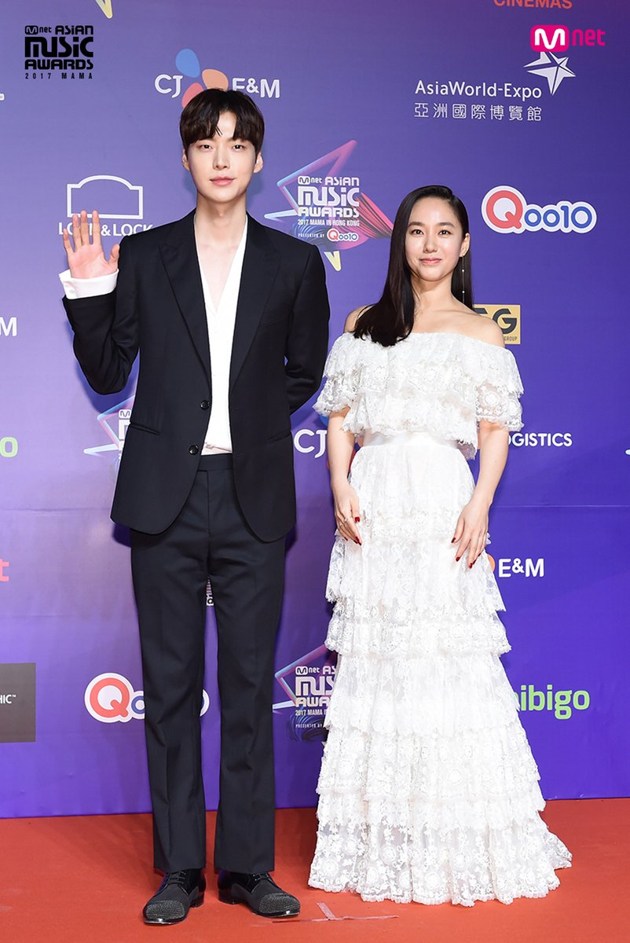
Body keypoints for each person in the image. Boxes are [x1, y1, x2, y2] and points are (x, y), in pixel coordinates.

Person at [60, 89, 329, 924]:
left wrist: (242, 426)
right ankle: (179, 866)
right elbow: (108, 373)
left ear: (257, 159)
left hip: (250, 495)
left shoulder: (293, 263)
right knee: (170, 687)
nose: (221, 155)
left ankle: (248, 868)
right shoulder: (143, 257)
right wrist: (91, 284)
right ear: (186, 160)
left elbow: (302, 371)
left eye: (236, 142)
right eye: (206, 142)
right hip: (163, 498)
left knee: (248, 685)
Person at [308, 185, 571, 906]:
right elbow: (340, 417)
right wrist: (341, 486)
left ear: (464, 245)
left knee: (446, 657)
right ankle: (384, 834)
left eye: (444, 231)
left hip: (441, 501)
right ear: (401, 243)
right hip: (376, 499)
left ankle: (457, 830)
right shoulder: (366, 323)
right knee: (383, 658)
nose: (429, 244)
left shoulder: (483, 333)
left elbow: (493, 430)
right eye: (417, 231)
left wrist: (479, 505)